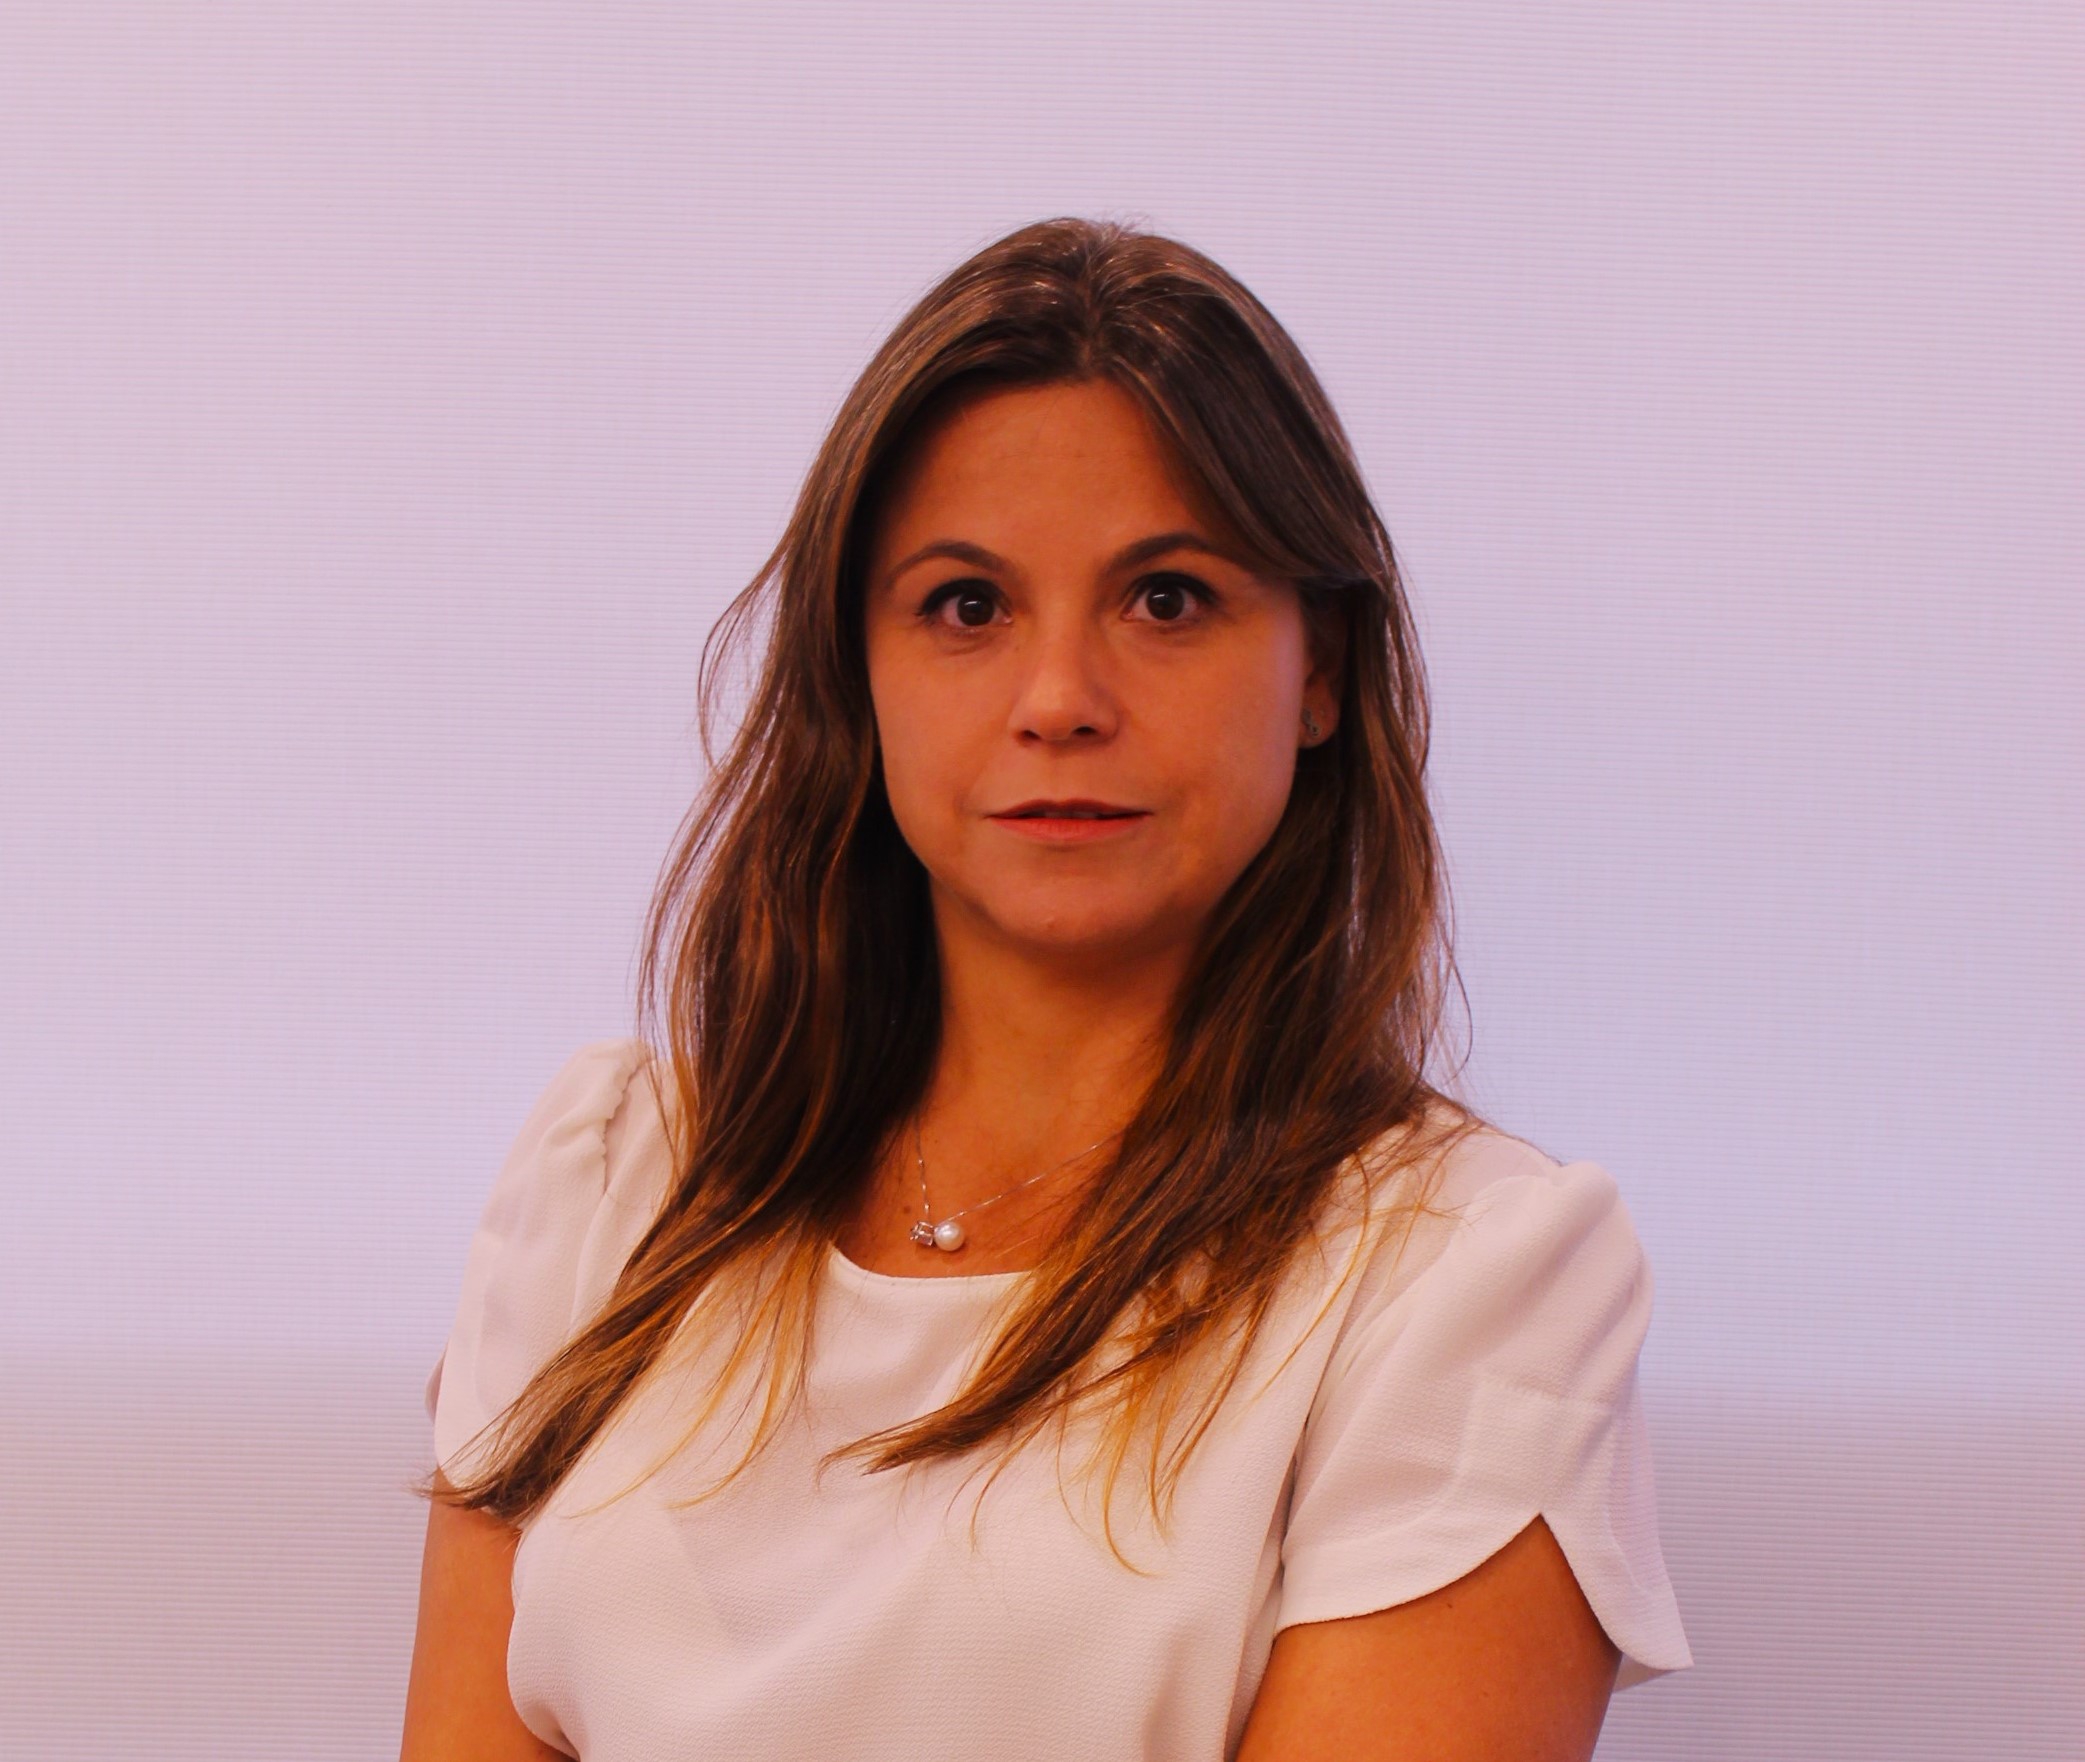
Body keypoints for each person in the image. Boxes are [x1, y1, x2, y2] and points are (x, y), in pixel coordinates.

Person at [399, 217, 1692, 1762]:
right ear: (855, 668)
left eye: (1167, 600)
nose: (1060, 699)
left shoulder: (1464, 1278)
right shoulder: (612, 1182)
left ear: (1322, 671)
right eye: (966, 605)